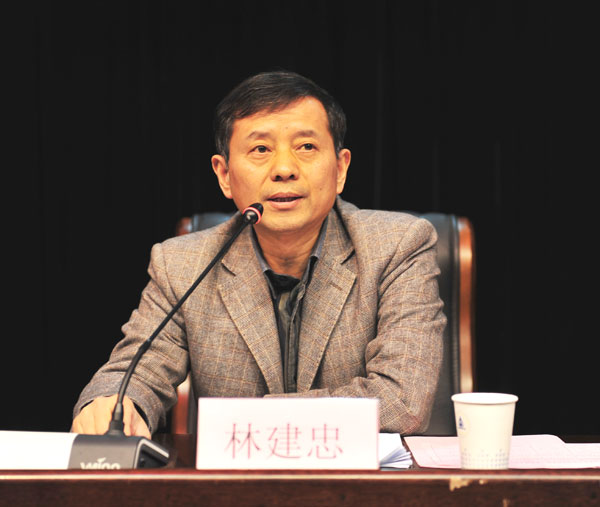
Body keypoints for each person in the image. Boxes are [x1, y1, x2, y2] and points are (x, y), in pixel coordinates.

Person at [72, 70, 445, 437]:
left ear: (340, 168)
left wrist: (253, 418)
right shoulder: (183, 265)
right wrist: (113, 404)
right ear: (224, 175)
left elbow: (401, 401)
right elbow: (136, 371)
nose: (284, 169)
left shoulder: (396, 246)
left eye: (306, 147)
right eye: (261, 149)